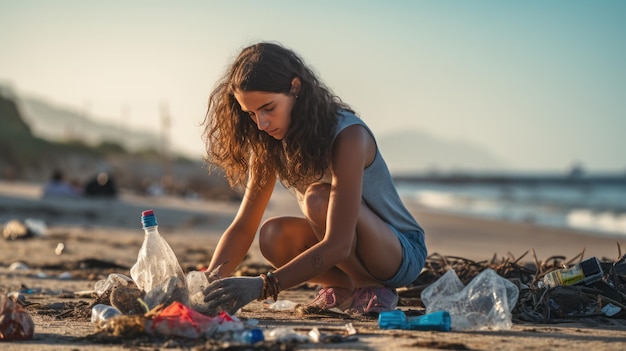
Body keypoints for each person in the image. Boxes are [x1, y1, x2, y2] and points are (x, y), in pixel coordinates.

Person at [201, 42, 427, 316]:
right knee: (273, 235)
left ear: (295, 88)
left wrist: (264, 285)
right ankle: (343, 286)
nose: (261, 123)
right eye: (251, 114)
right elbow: (243, 226)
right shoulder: (268, 144)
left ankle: (371, 286)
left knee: (318, 199)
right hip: (343, 246)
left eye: (268, 108)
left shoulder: (348, 136)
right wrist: (210, 280)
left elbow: (339, 243)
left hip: (398, 253)